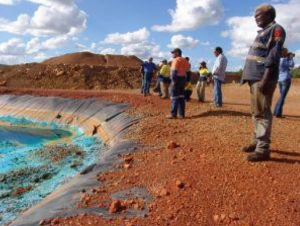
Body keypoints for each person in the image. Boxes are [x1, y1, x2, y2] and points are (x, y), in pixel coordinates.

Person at [241, 4, 286, 162]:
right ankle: (256, 141)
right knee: (256, 112)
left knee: (262, 113)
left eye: (258, 15)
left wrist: (265, 79)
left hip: (262, 77)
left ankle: (263, 149)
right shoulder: (264, 32)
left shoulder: (277, 29)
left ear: (269, 15)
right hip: (255, 77)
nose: (255, 18)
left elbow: (273, 56)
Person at [166, 48, 191, 119]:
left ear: (177, 53)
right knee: (181, 97)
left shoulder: (176, 60)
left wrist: (173, 81)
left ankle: (173, 114)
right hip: (183, 79)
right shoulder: (185, 61)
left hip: (176, 79)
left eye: (173, 53)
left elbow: (174, 71)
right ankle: (181, 114)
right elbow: (189, 73)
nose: (172, 54)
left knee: (174, 97)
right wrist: (187, 81)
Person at [274, 48, 295, 118]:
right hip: (286, 79)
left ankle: (276, 112)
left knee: (281, 96)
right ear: (284, 53)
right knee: (282, 97)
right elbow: (292, 65)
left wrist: (288, 57)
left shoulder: (278, 59)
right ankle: (277, 113)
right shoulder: (284, 59)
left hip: (280, 80)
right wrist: (291, 57)